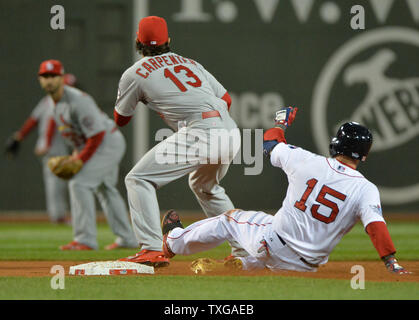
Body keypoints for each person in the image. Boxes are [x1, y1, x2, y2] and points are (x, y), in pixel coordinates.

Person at [161, 107, 411, 275]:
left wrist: (281, 122)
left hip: (271, 243)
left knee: (231, 219)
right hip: (305, 267)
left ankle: (172, 242)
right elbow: (376, 228)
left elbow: (269, 142)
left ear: (336, 144)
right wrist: (392, 263)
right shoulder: (366, 189)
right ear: (364, 155)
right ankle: (237, 266)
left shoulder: (307, 160)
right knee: (267, 242)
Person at [113, 16, 246, 267]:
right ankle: (243, 249)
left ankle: (152, 249)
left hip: (201, 131)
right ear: (169, 41)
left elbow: (121, 119)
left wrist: (147, 96)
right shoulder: (191, 63)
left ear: (138, 42)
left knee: (139, 179)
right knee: (206, 187)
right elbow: (226, 99)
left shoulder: (134, 74)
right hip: (229, 130)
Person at [36, 59, 137, 250]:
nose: (49, 80)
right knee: (106, 189)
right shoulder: (54, 104)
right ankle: (127, 239)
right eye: (45, 77)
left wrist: (79, 160)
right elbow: (77, 137)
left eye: (53, 76)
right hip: (99, 144)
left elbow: (97, 135)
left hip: (107, 144)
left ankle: (85, 239)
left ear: (62, 78)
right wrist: (76, 154)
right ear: (40, 80)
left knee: (79, 183)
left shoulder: (78, 100)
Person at [4, 75, 80, 223]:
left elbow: (33, 120)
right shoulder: (59, 102)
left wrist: (20, 136)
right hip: (53, 148)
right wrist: (47, 145)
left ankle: (57, 214)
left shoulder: (46, 101)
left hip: (49, 146)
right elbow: (52, 121)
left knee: (56, 182)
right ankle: (58, 216)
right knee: (57, 183)